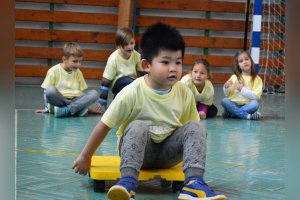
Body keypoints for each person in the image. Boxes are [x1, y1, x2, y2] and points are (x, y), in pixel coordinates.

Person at [72, 23, 227, 200]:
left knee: (196, 127)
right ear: (146, 65)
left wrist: (190, 162)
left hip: (168, 155)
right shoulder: (132, 91)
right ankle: (128, 183)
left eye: (178, 62)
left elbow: (191, 133)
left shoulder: (184, 92)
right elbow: (104, 125)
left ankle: (194, 184)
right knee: (138, 126)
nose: (173, 68)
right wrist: (86, 156)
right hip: (138, 152)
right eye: (165, 62)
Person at [35, 42, 99, 118]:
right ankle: (76, 109)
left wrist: (84, 104)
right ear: (64, 59)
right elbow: (47, 92)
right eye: (75, 61)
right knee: (50, 90)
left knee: (94, 94)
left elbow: (81, 92)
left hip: (74, 99)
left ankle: (66, 110)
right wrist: (46, 108)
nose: (78, 64)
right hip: (59, 100)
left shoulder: (78, 72)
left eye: (80, 61)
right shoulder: (53, 71)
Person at [97, 27, 146, 112]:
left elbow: (143, 73)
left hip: (131, 82)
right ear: (119, 46)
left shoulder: (136, 55)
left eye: (131, 43)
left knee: (134, 86)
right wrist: (102, 100)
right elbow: (106, 81)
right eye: (126, 44)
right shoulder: (113, 59)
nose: (129, 46)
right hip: (118, 82)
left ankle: (118, 105)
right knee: (130, 83)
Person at [221, 50, 263, 120]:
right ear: (238, 66)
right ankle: (246, 116)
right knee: (224, 101)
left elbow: (256, 96)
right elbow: (227, 94)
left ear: (251, 61)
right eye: (241, 61)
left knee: (255, 104)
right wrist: (226, 87)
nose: (245, 62)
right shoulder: (234, 77)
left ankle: (233, 113)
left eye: (247, 59)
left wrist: (242, 89)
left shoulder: (257, 79)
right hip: (234, 104)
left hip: (247, 105)